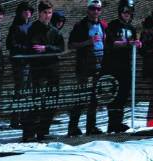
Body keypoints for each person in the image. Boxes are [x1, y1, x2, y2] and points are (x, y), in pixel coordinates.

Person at [24, 0, 64, 141]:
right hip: (38, 69)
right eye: (45, 13)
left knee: (52, 100)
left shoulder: (54, 30)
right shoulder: (33, 28)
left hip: (53, 69)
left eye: (50, 12)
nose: (48, 15)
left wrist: (46, 48)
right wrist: (43, 49)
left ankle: (43, 131)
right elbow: (33, 47)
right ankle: (29, 133)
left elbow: (61, 48)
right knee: (38, 100)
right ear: (39, 13)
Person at [67, 0, 107, 136]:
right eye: (93, 8)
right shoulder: (80, 25)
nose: (95, 11)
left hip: (99, 63)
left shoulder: (103, 24)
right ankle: (73, 127)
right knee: (81, 96)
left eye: (98, 9)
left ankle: (91, 127)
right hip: (84, 65)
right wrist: (87, 42)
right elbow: (71, 44)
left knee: (95, 97)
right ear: (88, 9)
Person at [103, 0, 141, 133]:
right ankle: (112, 123)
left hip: (126, 64)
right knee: (115, 94)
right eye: (125, 11)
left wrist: (137, 44)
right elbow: (111, 42)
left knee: (124, 93)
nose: (127, 14)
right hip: (113, 65)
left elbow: (133, 44)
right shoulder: (113, 25)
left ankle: (118, 122)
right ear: (120, 12)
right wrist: (128, 43)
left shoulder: (132, 28)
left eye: (129, 12)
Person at [6, 1, 34, 130]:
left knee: (27, 91)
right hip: (19, 63)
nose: (28, 13)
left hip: (30, 63)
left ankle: (25, 118)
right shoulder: (15, 27)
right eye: (25, 11)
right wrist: (26, 49)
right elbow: (10, 45)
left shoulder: (31, 26)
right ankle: (15, 119)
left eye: (29, 11)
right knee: (20, 91)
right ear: (20, 12)